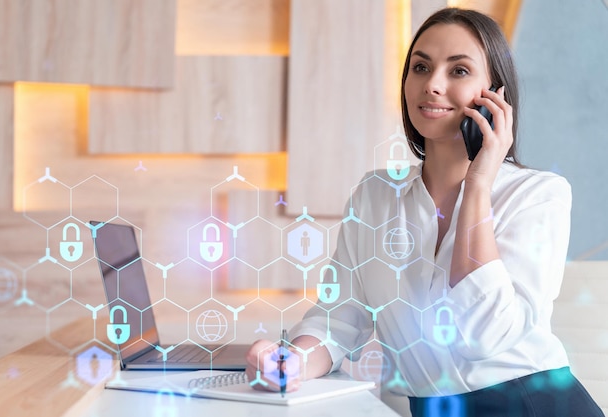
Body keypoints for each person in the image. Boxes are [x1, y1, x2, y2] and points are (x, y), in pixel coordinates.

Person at [246, 7, 604, 416]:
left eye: (458, 71)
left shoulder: (539, 195)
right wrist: (292, 362)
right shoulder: (374, 195)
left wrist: (478, 185)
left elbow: (485, 336)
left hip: (534, 406)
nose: (432, 85)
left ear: (495, 96)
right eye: (420, 67)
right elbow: (339, 319)